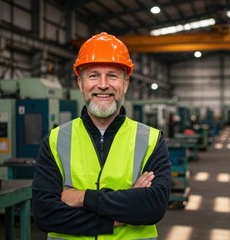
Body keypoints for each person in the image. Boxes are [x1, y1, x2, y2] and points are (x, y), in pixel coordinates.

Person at [32, 32, 172, 240]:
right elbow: (46, 215)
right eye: (94, 75)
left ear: (125, 84)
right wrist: (123, 212)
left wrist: (81, 197)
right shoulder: (55, 140)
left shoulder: (151, 140)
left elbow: (153, 207)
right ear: (80, 84)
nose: (103, 84)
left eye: (113, 75)